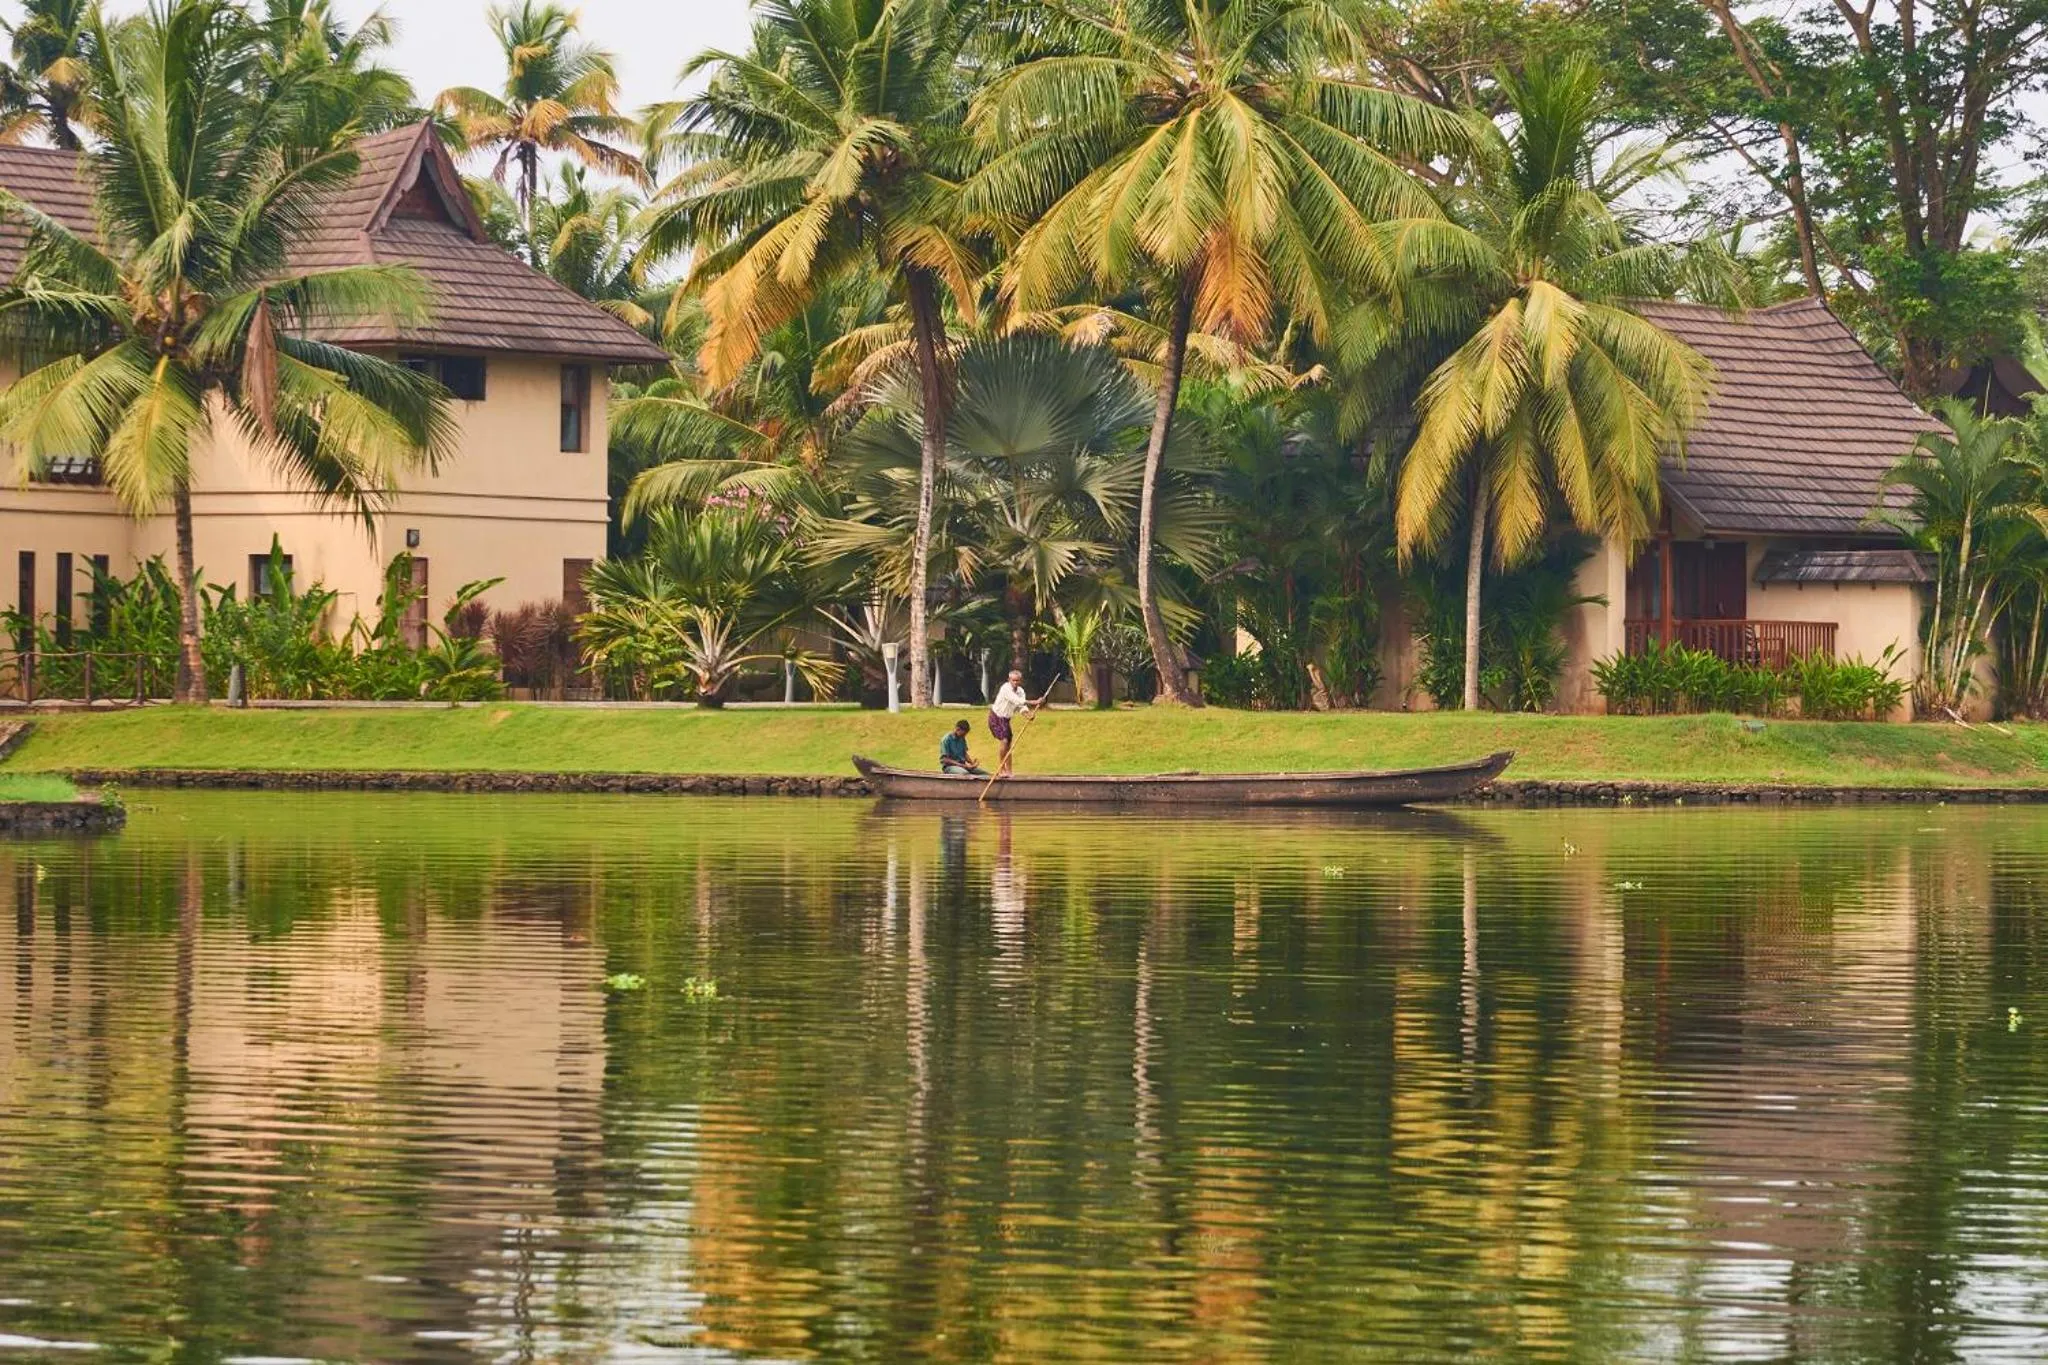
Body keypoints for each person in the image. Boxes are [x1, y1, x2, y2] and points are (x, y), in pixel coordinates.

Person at [988, 668, 1044, 777]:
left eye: (1017, 680)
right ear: (1009, 679)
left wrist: (1028, 715)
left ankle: (1009, 771)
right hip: (995, 717)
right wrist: (1034, 701)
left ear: (1020, 681)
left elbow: (1021, 707)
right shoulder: (1005, 688)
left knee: (1009, 745)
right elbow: (1016, 700)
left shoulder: (1021, 691)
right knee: (1004, 741)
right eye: (1013, 680)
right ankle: (1001, 769)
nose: (1015, 683)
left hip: (1006, 720)